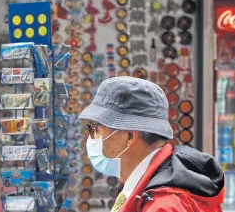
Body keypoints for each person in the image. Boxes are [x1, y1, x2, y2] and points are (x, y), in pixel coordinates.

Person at [79, 76, 225, 212]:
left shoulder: (163, 206)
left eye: (96, 129)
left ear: (129, 137)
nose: (92, 138)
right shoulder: (149, 186)